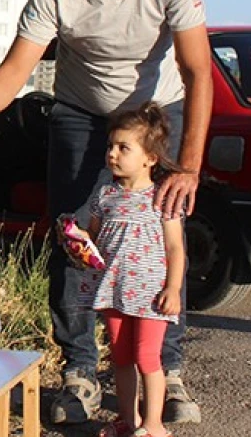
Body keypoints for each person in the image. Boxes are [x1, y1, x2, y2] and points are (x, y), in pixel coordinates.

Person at [0, 0, 211, 425]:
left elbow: (197, 71)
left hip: (153, 110)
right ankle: (79, 371)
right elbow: (12, 72)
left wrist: (188, 168)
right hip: (81, 110)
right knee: (73, 232)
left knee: (161, 229)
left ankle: (166, 370)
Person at [69, 102, 186, 437]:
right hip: (112, 289)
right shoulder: (104, 195)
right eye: (111, 146)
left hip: (151, 296)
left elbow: (176, 247)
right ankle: (128, 420)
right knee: (121, 358)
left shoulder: (163, 198)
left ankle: (154, 426)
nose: (113, 154)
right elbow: (92, 240)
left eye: (124, 148)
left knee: (147, 358)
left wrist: (173, 288)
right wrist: (78, 243)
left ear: (150, 157)